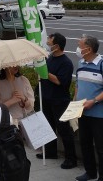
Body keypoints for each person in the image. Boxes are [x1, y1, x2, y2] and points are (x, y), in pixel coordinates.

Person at [38, 33, 77, 169]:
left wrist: (44, 72)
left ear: (57, 46)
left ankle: (71, 158)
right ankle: (50, 152)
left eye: (50, 42)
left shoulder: (66, 63)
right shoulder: (50, 58)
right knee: (48, 126)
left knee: (63, 130)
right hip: (47, 98)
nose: (48, 44)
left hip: (59, 101)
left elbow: (60, 81)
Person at [74, 34, 103, 181]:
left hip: (98, 115)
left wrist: (94, 101)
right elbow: (78, 84)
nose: (78, 48)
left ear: (89, 49)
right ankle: (90, 172)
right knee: (85, 144)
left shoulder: (101, 64)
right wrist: (74, 102)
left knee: (100, 147)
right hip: (82, 112)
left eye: (80, 46)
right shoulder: (81, 63)